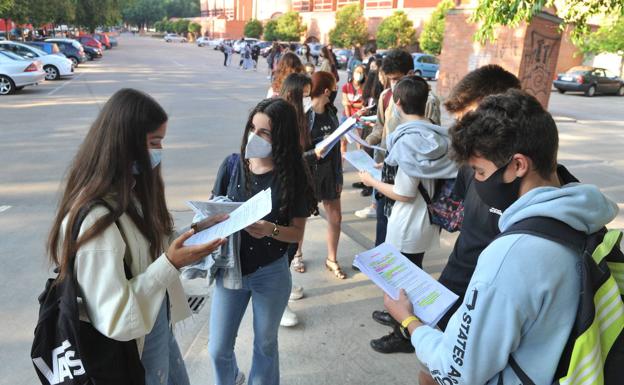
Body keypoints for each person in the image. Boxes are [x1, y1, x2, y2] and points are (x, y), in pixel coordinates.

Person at [384, 89, 618, 385]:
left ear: (518, 165)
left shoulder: (512, 255)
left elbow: (458, 372)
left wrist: (409, 322)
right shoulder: (584, 218)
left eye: (480, 173)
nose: (478, 183)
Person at [47, 88, 227, 385]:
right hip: (130, 345)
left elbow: (147, 252)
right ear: (124, 142)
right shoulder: (97, 220)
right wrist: (171, 262)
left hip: (154, 322)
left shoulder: (129, 191)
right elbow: (115, 316)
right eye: (154, 142)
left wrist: (194, 234)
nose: (159, 152)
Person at [208, 98, 316, 385]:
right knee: (218, 349)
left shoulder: (293, 176)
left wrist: (270, 230)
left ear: (280, 137)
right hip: (232, 269)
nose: (254, 137)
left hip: (271, 272)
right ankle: (230, 379)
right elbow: (212, 208)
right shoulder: (232, 166)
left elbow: (296, 233)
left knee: (265, 345)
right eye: (252, 128)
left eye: (264, 132)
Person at [360, 75, 457, 353]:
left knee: (402, 280)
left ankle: (403, 334)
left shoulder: (407, 140)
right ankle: (396, 317)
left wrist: (373, 182)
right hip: (425, 220)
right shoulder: (433, 134)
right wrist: (384, 172)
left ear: (397, 103)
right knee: (410, 272)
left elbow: (404, 192)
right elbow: (416, 176)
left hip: (408, 220)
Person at [278, 72, 317, 327]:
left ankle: (284, 289)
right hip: (283, 191)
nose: (308, 99)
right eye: (304, 95)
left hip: (299, 188)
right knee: (282, 249)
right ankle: (280, 305)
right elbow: (285, 156)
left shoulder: (305, 117)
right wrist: (314, 154)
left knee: (292, 247)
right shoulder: (281, 117)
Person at [304, 71, 346, 279]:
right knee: (300, 218)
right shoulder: (304, 115)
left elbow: (337, 149)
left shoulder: (331, 112)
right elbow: (297, 153)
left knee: (336, 218)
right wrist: (314, 153)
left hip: (329, 174)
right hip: (308, 174)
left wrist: (338, 177)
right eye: (334, 88)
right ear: (327, 90)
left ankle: (332, 258)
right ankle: (296, 254)